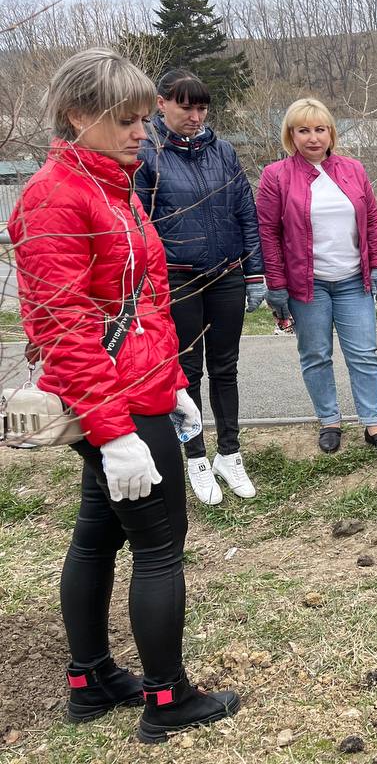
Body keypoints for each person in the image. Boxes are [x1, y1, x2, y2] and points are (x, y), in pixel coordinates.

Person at [7, 48, 239, 742]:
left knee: (100, 529)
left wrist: (171, 385)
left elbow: (144, 303)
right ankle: (167, 698)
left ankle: (91, 677)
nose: (144, 130)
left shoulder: (113, 186)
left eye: (145, 117)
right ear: (79, 116)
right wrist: (114, 434)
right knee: (160, 542)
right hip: (113, 400)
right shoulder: (56, 198)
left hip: (139, 388)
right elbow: (67, 328)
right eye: (127, 118)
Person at [135, 69, 265, 506]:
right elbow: (140, 223)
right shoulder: (145, 154)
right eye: (185, 106)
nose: (195, 115)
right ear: (161, 104)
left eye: (202, 107)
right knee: (187, 374)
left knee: (226, 369)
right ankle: (195, 457)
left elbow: (246, 212)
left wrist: (255, 273)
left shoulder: (223, 151)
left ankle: (230, 452)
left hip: (226, 273)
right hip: (178, 280)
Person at [257, 97, 377, 456]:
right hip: (308, 285)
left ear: (331, 132)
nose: (313, 138)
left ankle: (373, 424)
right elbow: (268, 234)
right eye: (303, 130)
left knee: (364, 354)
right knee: (316, 354)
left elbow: (372, 221)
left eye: (320, 129)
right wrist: (276, 285)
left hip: (353, 280)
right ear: (291, 135)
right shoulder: (276, 176)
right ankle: (330, 422)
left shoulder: (353, 170)